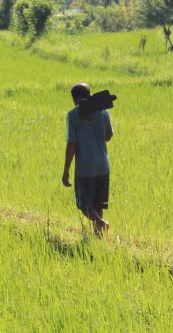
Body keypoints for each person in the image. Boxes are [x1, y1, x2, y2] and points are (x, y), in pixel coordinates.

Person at [62, 82, 113, 234]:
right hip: (103, 165)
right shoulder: (104, 112)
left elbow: (72, 144)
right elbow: (108, 136)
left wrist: (66, 171)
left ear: (74, 98)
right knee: (98, 204)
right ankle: (99, 237)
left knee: (84, 205)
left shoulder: (72, 115)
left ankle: (101, 223)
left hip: (85, 168)